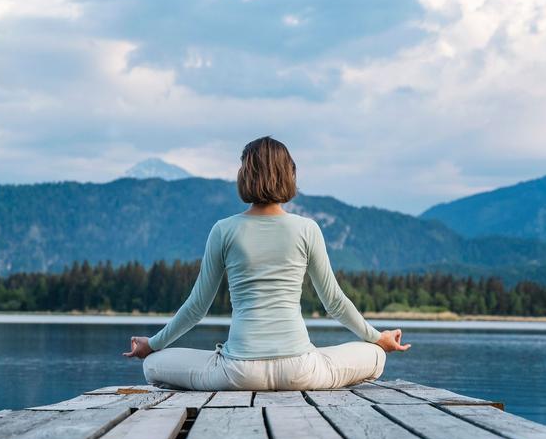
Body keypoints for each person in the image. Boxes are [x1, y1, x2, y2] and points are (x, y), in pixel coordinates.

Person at [123, 136, 411, 390]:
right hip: (301, 370)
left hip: (237, 373)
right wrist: (378, 338)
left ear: (245, 175)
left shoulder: (223, 230)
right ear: (289, 175)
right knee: (375, 355)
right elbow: (334, 302)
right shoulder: (307, 229)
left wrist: (153, 344)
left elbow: (197, 307)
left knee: (153, 365)